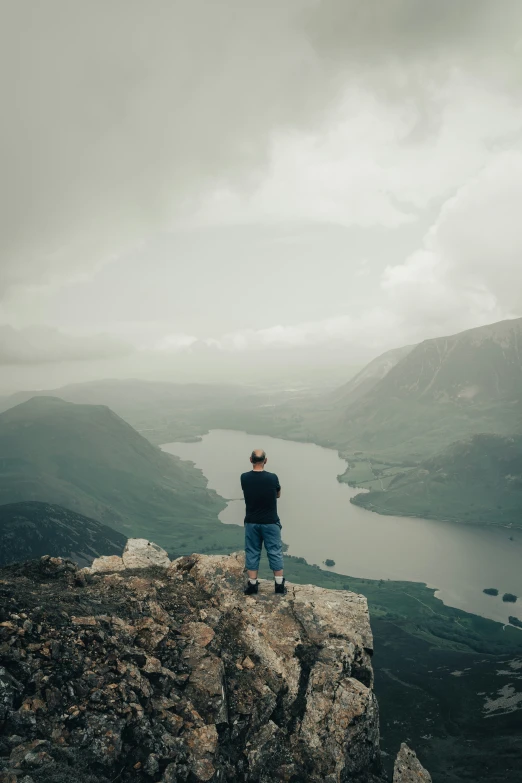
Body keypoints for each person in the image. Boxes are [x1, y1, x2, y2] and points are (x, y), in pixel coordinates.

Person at [240, 448, 286, 595]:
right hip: (270, 522)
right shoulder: (273, 478)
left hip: (252, 522)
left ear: (250, 460)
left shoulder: (244, 477)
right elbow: (278, 494)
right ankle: (279, 585)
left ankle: (253, 585)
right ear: (265, 461)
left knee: (252, 551)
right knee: (275, 551)